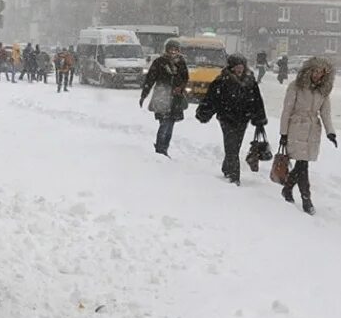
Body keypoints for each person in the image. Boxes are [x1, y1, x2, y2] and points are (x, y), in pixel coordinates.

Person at [195, 54, 268, 185]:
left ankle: (226, 167)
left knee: (235, 146)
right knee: (231, 146)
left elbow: (257, 100)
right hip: (226, 118)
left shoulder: (250, 81)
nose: (240, 69)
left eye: (242, 67)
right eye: (237, 67)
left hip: (242, 118)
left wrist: (259, 118)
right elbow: (211, 98)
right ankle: (234, 176)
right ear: (232, 67)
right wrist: (204, 112)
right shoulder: (222, 80)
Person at [279, 57, 336, 215]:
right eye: (315, 71)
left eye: (321, 72)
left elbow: (326, 113)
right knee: (303, 165)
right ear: (309, 71)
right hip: (296, 128)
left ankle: (287, 189)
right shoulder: (296, 87)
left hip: (312, 131)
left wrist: (330, 132)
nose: (317, 75)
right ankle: (306, 199)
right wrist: (283, 133)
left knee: (301, 164)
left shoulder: (323, 91)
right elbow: (286, 111)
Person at [139, 40, 189, 157]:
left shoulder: (181, 62)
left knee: (170, 124)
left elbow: (186, 78)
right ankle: (160, 149)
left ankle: (164, 148)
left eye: (175, 49)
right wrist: (144, 95)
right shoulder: (159, 62)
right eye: (171, 49)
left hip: (176, 98)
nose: (173, 52)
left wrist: (180, 87)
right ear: (166, 50)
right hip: (162, 97)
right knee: (164, 123)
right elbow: (150, 79)